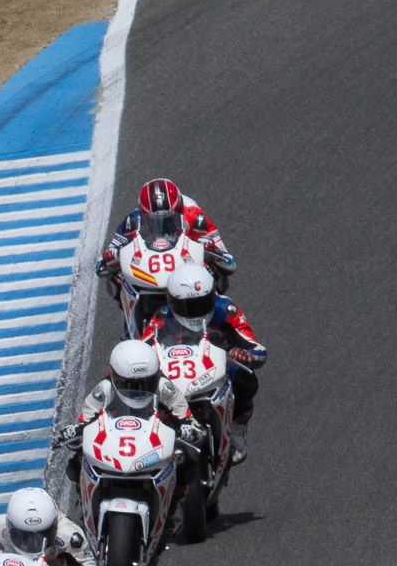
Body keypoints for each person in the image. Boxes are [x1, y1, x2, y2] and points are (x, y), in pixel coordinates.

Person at [59, 340, 205, 534]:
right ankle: (82, 503)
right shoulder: (103, 389)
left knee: (187, 455)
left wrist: (189, 428)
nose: (139, 390)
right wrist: (75, 431)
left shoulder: (165, 388)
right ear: (115, 376)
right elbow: (85, 421)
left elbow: (186, 417)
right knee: (79, 456)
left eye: (146, 383)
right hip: (114, 440)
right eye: (130, 384)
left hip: (153, 441)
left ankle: (173, 504)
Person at [141, 263, 267, 464]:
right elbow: (140, 350)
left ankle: (236, 431)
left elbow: (257, 348)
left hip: (214, 370)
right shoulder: (162, 317)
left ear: (212, 296)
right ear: (172, 301)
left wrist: (246, 355)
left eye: (201, 304)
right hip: (175, 374)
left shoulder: (226, 310)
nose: (194, 312)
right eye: (187, 307)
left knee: (246, 378)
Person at [95, 177, 235, 293]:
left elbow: (229, 262)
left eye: (169, 220)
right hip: (150, 273)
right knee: (116, 278)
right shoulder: (132, 221)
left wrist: (212, 250)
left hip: (188, 271)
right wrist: (111, 256)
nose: (162, 226)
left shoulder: (195, 217)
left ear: (180, 210)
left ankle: (212, 306)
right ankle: (132, 314)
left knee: (216, 274)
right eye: (153, 222)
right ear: (143, 216)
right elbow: (102, 264)